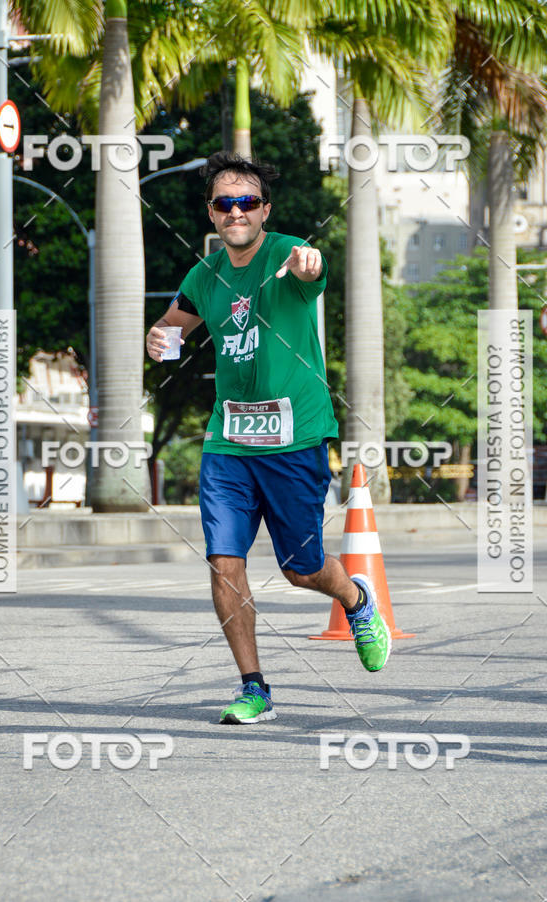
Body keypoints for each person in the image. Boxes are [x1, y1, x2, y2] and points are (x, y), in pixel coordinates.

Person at [146, 151, 390, 724]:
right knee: (223, 559)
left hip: (294, 436)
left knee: (300, 569)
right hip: (229, 442)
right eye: (225, 203)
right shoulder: (204, 275)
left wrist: (309, 264)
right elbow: (172, 326)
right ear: (211, 213)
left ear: (264, 211)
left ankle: (355, 598)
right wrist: (158, 339)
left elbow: (313, 269)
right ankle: (253, 686)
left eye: (247, 202)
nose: (236, 211)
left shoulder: (285, 252)